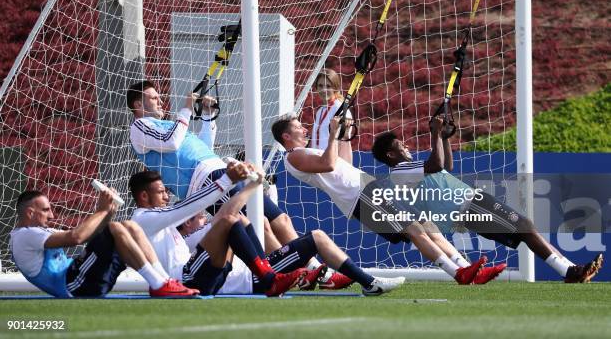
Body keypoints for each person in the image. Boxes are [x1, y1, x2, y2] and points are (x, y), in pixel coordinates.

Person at [126, 80, 348, 288]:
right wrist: (185, 110)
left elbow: (204, 149)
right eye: (154, 97)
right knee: (257, 223)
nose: (160, 101)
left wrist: (206, 116)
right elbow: (172, 142)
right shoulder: (140, 127)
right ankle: (308, 273)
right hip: (206, 182)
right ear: (138, 104)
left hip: (218, 170)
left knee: (280, 219)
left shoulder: (165, 124)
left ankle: (311, 270)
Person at [271, 114, 505, 284]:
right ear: (286, 136)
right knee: (414, 229)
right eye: (299, 127)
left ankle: (466, 268)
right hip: (360, 198)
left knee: (427, 225)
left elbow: (342, 163)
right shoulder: (293, 157)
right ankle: (457, 273)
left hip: (369, 188)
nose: (304, 129)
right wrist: (332, 134)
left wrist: (343, 136)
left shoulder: (306, 152)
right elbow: (328, 163)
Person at [371, 124, 604, 283]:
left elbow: (446, 166)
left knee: (524, 228)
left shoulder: (409, 169)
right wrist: (434, 133)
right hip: (467, 205)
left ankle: (569, 269)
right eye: (401, 145)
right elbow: (438, 164)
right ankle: (569, 271)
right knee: (524, 225)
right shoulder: (401, 172)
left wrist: (443, 138)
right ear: (391, 155)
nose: (407, 146)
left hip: (469, 205)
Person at [133, 170, 405, 296]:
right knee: (233, 219)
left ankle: (366, 282)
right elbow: (212, 214)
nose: (167, 196)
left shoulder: (173, 228)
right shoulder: (146, 218)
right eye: (161, 192)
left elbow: (228, 215)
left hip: (241, 271)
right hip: (197, 279)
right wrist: (226, 180)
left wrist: (251, 188)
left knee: (316, 236)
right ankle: (274, 277)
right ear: (143, 196)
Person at [9, 189, 197, 298]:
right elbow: (76, 237)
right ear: (30, 213)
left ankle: (164, 282)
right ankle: (159, 285)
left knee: (129, 226)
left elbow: (93, 235)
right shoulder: (24, 236)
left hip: (82, 278)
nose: (51, 215)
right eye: (46, 210)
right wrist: (100, 211)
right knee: (115, 228)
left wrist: (107, 212)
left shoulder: (38, 232)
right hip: (74, 286)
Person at [311, 69, 353, 164]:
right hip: (319, 163)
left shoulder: (341, 109)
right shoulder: (320, 111)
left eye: (328, 86)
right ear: (316, 88)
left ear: (336, 88)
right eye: (320, 86)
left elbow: (344, 140)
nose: (324, 90)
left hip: (333, 164)